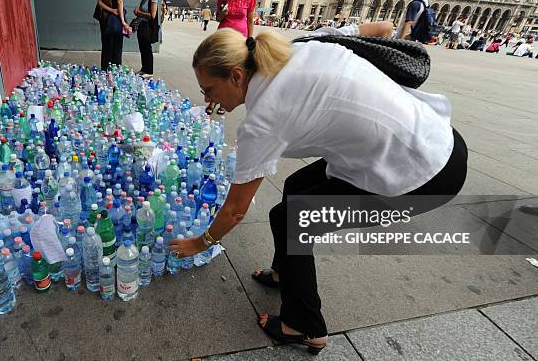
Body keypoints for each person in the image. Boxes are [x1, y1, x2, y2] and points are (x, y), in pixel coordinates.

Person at [170, 22, 468, 355]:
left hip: (424, 173)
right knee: (296, 187)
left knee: (292, 220)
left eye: (208, 89)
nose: (207, 99)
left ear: (237, 76)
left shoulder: (264, 118)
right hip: (435, 136)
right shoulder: (300, 45)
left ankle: (305, 325)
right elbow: (378, 27)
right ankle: (286, 272)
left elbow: (236, 210)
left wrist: (200, 242)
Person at [206, 0, 256, 116]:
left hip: (240, 40)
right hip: (224, 37)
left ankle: (222, 102)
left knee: (232, 73)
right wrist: (222, 13)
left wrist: (250, 39)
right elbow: (218, 18)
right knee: (219, 69)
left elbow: (250, 20)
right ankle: (213, 100)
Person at [95, 0, 130, 71]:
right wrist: (123, 20)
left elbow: (100, 2)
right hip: (115, 19)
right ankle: (115, 70)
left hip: (104, 19)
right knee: (117, 45)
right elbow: (119, 2)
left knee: (106, 44)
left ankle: (105, 69)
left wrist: (110, 9)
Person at [134, 0, 158, 78]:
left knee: (147, 49)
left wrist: (139, 13)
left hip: (147, 27)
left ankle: (149, 71)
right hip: (141, 25)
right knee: (142, 48)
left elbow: (152, 15)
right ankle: (144, 68)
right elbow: (138, 9)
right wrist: (138, 12)